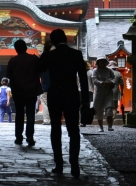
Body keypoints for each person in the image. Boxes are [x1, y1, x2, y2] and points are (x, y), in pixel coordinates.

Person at [38, 29, 89, 177]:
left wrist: (46, 50)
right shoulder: (76, 54)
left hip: (55, 94)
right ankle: (74, 162)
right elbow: (83, 79)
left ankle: (58, 163)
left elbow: (39, 68)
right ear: (66, 39)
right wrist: (85, 99)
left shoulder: (49, 55)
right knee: (73, 130)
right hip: (71, 94)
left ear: (52, 41)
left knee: (55, 128)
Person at [6, 39, 42, 145]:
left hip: (18, 91)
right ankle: (30, 136)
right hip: (31, 91)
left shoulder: (12, 61)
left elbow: (9, 77)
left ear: (16, 49)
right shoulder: (34, 59)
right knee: (31, 114)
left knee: (19, 114)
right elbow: (40, 72)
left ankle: (18, 137)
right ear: (26, 48)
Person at [92, 58, 116, 132]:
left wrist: (111, 82)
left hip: (108, 91)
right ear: (98, 63)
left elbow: (114, 78)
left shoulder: (109, 70)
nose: (102, 63)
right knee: (99, 109)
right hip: (99, 92)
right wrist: (103, 83)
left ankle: (110, 126)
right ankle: (100, 127)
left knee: (109, 109)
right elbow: (94, 80)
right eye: (100, 62)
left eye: (103, 61)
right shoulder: (95, 71)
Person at [80, 61, 94, 127]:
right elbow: (93, 83)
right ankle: (84, 121)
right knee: (86, 106)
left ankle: (81, 121)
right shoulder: (90, 72)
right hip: (89, 90)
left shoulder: (78, 72)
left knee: (80, 106)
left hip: (80, 90)